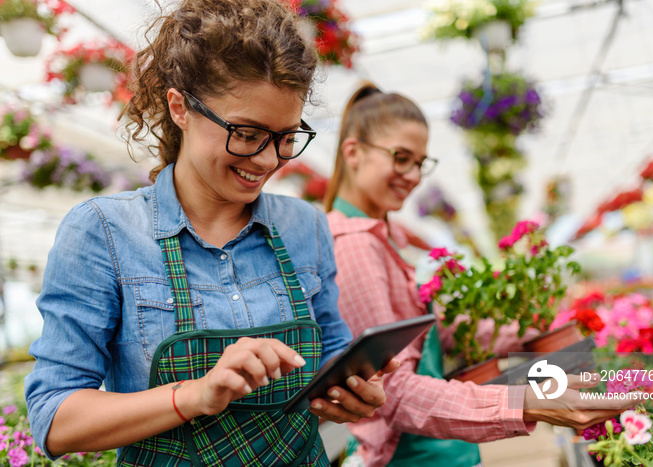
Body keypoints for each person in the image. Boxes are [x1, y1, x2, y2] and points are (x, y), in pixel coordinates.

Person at [24, 3, 398, 465]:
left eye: (284, 137)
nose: (267, 160)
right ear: (179, 107)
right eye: (245, 133)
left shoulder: (305, 226)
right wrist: (194, 396)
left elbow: (333, 349)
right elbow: (54, 418)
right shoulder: (104, 232)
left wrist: (350, 387)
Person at [324, 83, 637, 467]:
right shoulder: (353, 244)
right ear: (353, 153)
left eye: (420, 162)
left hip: (436, 451)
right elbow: (394, 392)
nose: (413, 175)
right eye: (401, 157)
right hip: (411, 457)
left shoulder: (380, 239)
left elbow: (435, 336)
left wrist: (542, 325)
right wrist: (526, 402)